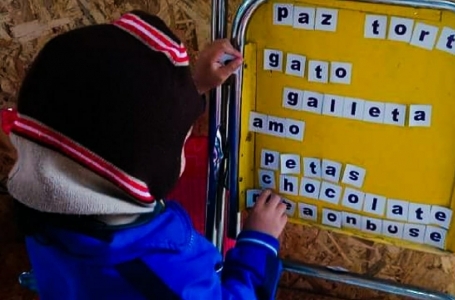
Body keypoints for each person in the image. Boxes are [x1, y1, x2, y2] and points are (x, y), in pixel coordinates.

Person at [7, 10, 287, 300]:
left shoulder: (41, 204)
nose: (183, 135)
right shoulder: (166, 274)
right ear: (134, 173)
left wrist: (194, 86)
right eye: (180, 136)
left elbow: (110, 123)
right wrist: (259, 243)